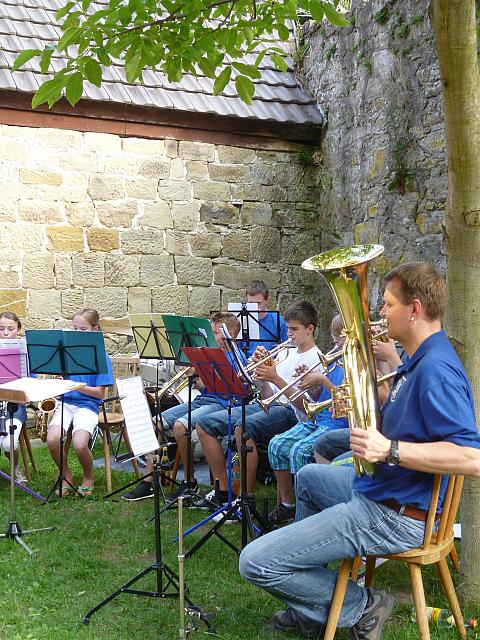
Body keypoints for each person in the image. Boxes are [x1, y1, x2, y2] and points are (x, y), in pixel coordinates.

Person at [239, 262, 480, 639]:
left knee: (255, 561)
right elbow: (407, 422)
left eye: (387, 305)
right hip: (382, 493)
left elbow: (471, 458)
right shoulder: (417, 362)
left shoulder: (436, 370)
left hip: (394, 515)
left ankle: (361, 606)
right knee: (307, 478)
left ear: (414, 309)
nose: (381, 314)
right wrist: (364, 400)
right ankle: (313, 609)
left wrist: (390, 449)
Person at [194, 301, 320, 508]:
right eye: (287, 328)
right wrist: (261, 376)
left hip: (292, 412)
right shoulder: (285, 352)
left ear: (310, 329)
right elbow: (267, 394)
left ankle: (244, 499)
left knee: (242, 428)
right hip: (271, 404)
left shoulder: (317, 358)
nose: (289, 334)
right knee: (203, 425)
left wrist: (276, 378)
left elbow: (307, 408)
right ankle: (223, 491)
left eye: (294, 329)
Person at [121, 312, 245, 502]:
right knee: (156, 422)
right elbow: (205, 388)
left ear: (232, 333)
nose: (210, 338)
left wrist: (199, 376)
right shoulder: (210, 354)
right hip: (204, 401)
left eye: (215, 333)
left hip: (222, 404)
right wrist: (194, 376)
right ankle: (149, 481)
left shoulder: (236, 357)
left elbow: (227, 391)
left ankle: (189, 481)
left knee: (180, 426)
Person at [267, 314, 348, 525]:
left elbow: (346, 400)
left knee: (299, 451)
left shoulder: (356, 366)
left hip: (338, 424)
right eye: (334, 337)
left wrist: (321, 379)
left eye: (340, 338)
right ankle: (288, 505)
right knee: (277, 444)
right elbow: (318, 398)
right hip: (318, 419)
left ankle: (306, 517)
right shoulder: (335, 361)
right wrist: (312, 386)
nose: (336, 343)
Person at [46, 309, 114, 496]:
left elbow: (99, 394)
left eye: (82, 329)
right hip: (65, 403)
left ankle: (88, 476)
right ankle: (65, 473)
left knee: (79, 444)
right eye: (74, 328)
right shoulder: (66, 353)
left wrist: (75, 386)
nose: (77, 333)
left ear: (95, 328)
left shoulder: (101, 357)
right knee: (52, 439)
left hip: (88, 405)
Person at [0, 311, 28, 484]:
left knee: (8, 443)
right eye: (1, 329)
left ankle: (15, 467)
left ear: (18, 329)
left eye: (10, 329)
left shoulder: (24, 351)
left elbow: (31, 380)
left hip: (15, 404)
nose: (5, 333)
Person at [243, 280, 288, 357]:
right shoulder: (242, 321)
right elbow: (237, 349)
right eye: (250, 303)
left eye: (258, 303)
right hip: (248, 365)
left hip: (271, 365)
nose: (255, 307)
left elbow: (287, 349)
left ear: (267, 300)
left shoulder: (279, 322)